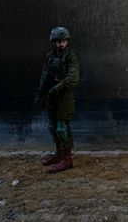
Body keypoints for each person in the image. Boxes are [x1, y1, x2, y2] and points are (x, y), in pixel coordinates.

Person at [35, 26, 80, 174]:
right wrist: (40, 94)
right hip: (51, 96)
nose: (61, 44)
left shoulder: (70, 56)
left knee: (62, 129)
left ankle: (67, 159)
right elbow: (44, 75)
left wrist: (57, 88)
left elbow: (73, 78)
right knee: (52, 127)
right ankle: (59, 154)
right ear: (54, 41)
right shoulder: (50, 56)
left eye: (63, 41)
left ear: (67, 41)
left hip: (64, 97)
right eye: (58, 41)